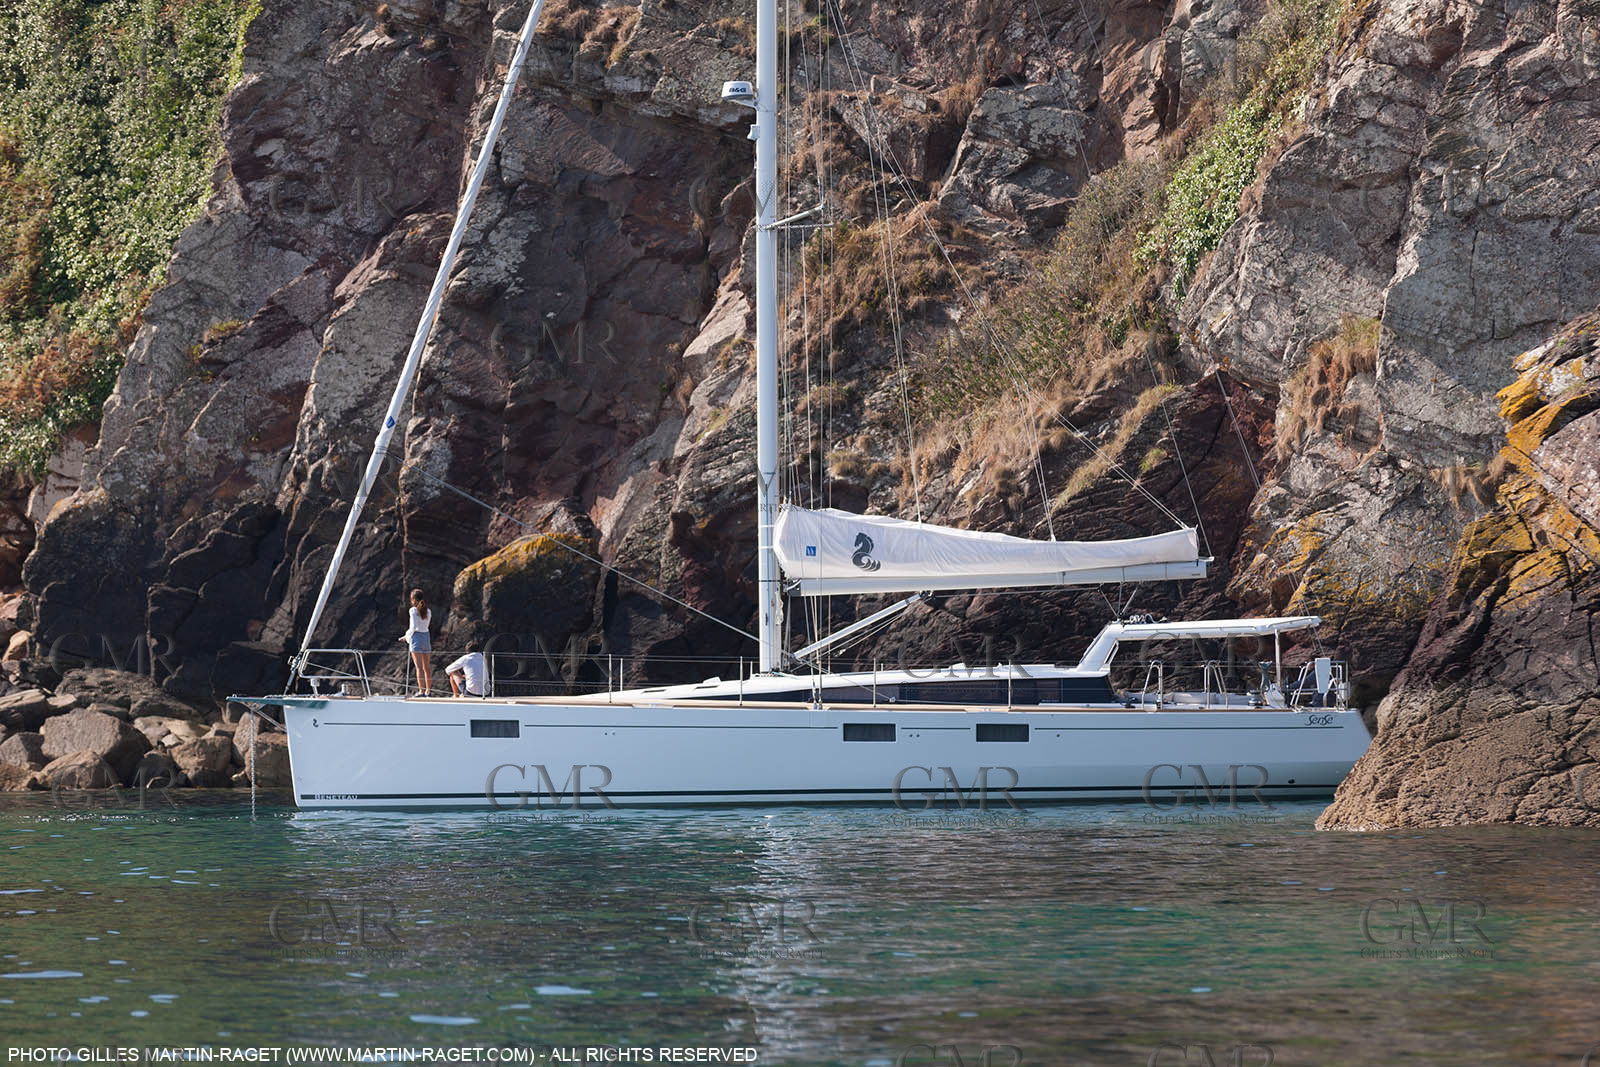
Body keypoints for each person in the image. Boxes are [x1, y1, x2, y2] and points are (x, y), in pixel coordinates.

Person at [404, 588, 433, 695]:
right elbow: (425, 626)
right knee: (427, 667)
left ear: (413, 599)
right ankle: (428, 691)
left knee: (419, 667)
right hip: (426, 637)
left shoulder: (413, 610)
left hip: (416, 638)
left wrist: (406, 637)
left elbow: (414, 627)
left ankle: (421, 691)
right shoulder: (428, 611)